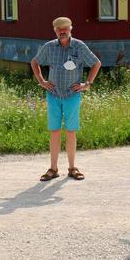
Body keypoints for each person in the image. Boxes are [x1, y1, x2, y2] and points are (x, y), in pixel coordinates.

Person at [30, 17, 101, 182]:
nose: (62, 31)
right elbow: (35, 62)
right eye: (58, 29)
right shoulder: (49, 47)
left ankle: (72, 168)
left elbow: (96, 63)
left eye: (65, 28)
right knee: (54, 131)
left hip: (72, 95)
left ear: (71, 28)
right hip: (54, 94)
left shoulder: (79, 46)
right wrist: (41, 81)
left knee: (71, 131)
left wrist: (87, 83)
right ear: (54, 30)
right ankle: (53, 169)